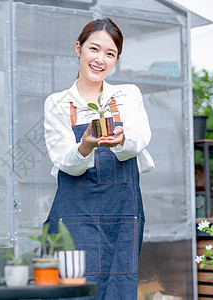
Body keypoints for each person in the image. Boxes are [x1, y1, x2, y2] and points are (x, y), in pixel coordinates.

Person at [43, 18, 155, 299]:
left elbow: (140, 138)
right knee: (73, 287)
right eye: (94, 49)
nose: (100, 60)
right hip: (74, 215)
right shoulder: (58, 103)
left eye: (110, 54)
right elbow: (63, 159)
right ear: (78, 48)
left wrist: (121, 141)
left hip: (122, 217)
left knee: (119, 288)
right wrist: (85, 147)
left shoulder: (126, 95)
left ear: (117, 59)